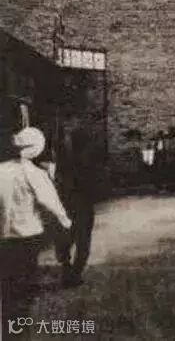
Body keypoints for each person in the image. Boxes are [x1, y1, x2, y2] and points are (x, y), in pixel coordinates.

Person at [0, 127, 72, 324]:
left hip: (3, 237)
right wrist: (65, 222)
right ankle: (18, 327)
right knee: (24, 284)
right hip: (27, 237)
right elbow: (51, 203)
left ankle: (7, 323)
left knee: (6, 283)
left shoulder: (1, 170)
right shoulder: (35, 173)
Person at [55, 126, 102, 287]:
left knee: (66, 237)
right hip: (84, 205)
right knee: (83, 241)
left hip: (67, 203)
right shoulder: (90, 162)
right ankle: (75, 273)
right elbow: (96, 185)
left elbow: (59, 181)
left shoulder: (64, 160)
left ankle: (66, 267)